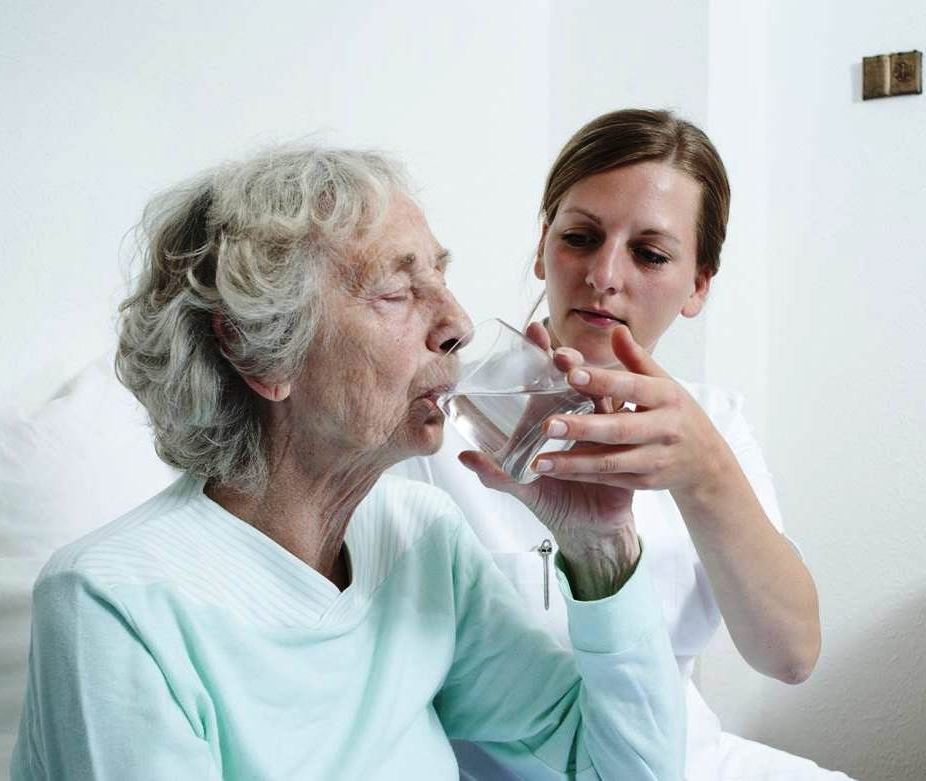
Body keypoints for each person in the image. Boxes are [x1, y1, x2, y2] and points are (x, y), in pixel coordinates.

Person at [9, 148, 686, 779]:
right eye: (395, 292)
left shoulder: (420, 538)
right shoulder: (113, 602)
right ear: (258, 351)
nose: (458, 322)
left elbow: (617, 767)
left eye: (440, 277)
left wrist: (600, 548)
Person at [394, 109, 853, 780]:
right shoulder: (438, 425)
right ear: (541, 245)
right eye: (579, 237)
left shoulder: (714, 425)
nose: (604, 274)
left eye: (650, 253)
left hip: (689, 760)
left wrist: (704, 472)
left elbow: (789, 656)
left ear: (697, 284)